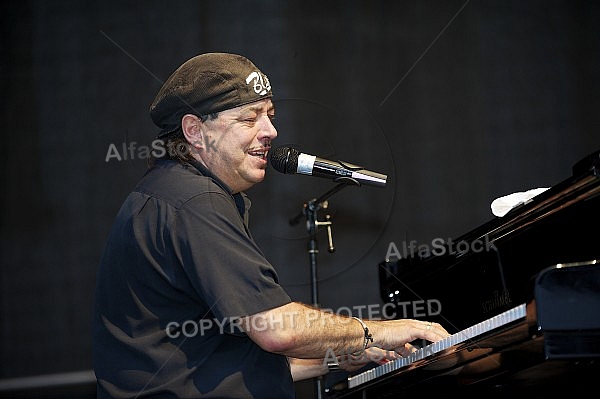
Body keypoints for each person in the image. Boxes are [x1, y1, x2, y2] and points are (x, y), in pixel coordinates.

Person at [92, 52, 449, 398]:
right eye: (249, 119)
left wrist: (339, 354)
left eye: (270, 115)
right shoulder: (194, 201)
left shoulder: (172, 191)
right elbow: (276, 330)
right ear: (195, 131)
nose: (271, 131)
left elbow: (217, 361)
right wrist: (380, 331)